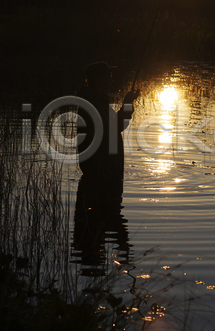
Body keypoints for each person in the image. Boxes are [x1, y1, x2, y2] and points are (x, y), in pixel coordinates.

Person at [72, 62, 139, 275]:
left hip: (99, 170)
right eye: (107, 76)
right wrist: (127, 103)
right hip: (102, 172)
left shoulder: (91, 100)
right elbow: (116, 125)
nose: (111, 80)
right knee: (107, 208)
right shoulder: (93, 102)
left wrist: (122, 244)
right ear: (97, 79)